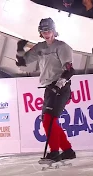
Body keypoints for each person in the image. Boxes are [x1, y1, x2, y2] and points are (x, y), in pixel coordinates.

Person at [15, 18, 76, 162]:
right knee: (49, 120)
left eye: (49, 31)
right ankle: (67, 150)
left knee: (48, 119)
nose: (46, 34)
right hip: (49, 87)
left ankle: (54, 152)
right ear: (40, 33)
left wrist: (58, 85)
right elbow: (21, 63)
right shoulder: (40, 47)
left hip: (61, 87)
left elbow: (70, 71)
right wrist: (19, 49)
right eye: (43, 31)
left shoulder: (62, 47)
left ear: (54, 31)